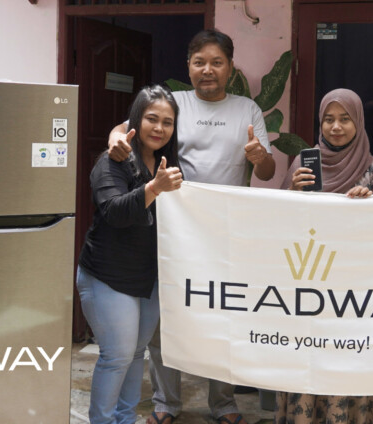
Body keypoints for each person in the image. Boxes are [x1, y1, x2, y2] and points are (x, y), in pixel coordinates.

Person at [107, 29, 275, 424]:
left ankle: (224, 403)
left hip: (228, 234)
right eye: (200, 62)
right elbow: (125, 129)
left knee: (225, 313)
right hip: (174, 230)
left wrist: (259, 156)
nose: (208, 70)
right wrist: (115, 139)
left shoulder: (247, 110)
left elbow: (267, 172)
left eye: (217, 62)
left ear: (230, 68)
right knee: (167, 316)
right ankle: (166, 403)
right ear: (188, 66)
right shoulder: (174, 103)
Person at [277, 88, 373, 424]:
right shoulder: (303, 163)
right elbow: (278, 225)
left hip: (355, 291)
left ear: (359, 122)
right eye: (328, 119)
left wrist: (371, 206)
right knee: (307, 355)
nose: (336, 127)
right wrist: (292, 192)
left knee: (348, 357)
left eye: (345, 119)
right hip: (308, 284)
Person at [77, 85, 184, 424]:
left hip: (147, 277)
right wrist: (154, 188)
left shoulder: (168, 163)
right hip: (108, 275)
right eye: (152, 119)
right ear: (135, 119)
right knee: (117, 356)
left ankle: (125, 419)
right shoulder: (113, 161)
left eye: (167, 122)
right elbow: (115, 212)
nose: (159, 128)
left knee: (136, 353)